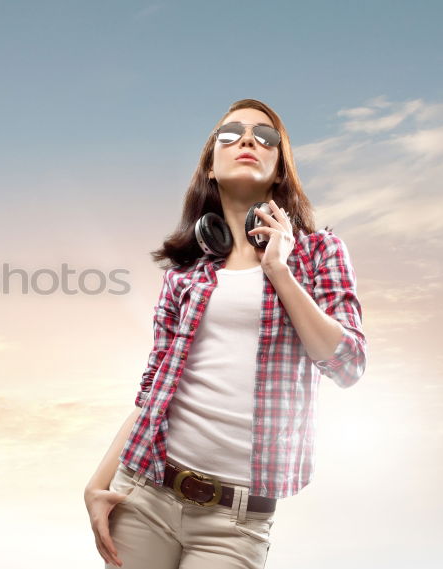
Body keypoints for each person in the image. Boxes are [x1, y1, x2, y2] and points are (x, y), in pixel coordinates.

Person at [83, 98, 367, 569]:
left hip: (236, 522)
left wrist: (278, 269)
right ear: (210, 168)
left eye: (266, 136)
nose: (249, 140)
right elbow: (152, 391)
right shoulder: (186, 275)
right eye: (231, 134)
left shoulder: (320, 253)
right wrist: (97, 483)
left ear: (280, 170)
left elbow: (348, 364)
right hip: (143, 494)